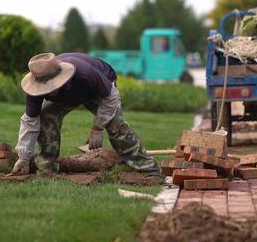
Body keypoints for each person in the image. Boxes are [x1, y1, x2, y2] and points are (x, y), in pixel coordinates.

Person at [11, 52, 160, 176]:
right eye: (44, 89)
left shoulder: (85, 74)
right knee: (45, 117)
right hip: (70, 91)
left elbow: (111, 97)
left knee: (115, 125)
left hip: (99, 90)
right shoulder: (35, 89)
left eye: (50, 87)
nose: (47, 92)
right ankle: (47, 169)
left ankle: (149, 168)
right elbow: (30, 121)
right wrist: (23, 157)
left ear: (59, 78)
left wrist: (97, 128)